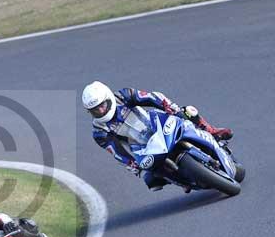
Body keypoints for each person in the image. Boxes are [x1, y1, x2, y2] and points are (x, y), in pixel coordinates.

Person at [82, 81, 233, 190]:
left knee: (188, 111)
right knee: (150, 179)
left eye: (102, 105)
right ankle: (182, 182)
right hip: (142, 147)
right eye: (96, 110)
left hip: (156, 124)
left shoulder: (123, 96)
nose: (101, 111)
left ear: (108, 97)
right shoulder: (99, 131)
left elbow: (152, 97)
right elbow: (117, 152)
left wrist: (171, 108)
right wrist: (133, 166)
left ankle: (211, 131)